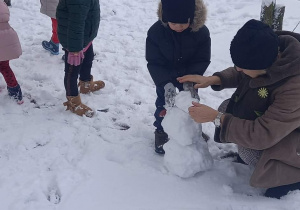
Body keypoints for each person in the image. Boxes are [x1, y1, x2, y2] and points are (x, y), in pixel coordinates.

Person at [178, 19, 300, 199]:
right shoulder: (271, 50)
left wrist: (217, 118)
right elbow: (245, 68)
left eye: (242, 67)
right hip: (281, 126)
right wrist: (215, 79)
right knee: (228, 108)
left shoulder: (294, 88)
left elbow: (262, 134)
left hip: (294, 141)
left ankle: (291, 176)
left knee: (248, 149)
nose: (238, 69)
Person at [146, 0, 211, 154]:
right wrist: (164, 82)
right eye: (174, 23)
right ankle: (161, 131)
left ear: (191, 18)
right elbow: (154, 61)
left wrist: (192, 79)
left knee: (190, 103)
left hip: (189, 75)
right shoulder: (156, 32)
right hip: (165, 76)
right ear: (166, 18)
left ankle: (191, 130)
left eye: (183, 23)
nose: (179, 27)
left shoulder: (200, 32)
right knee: (164, 103)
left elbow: (202, 58)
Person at [56, 0, 105, 117]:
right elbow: (75, 24)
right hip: (74, 42)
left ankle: (85, 84)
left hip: (84, 37)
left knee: (88, 61)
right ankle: (73, 101)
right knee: (72, 72)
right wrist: (74, 49)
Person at [0, 0, 23, 104]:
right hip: (6, 38)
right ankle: (15, 90)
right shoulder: (2, 3)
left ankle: (15, 91)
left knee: (3, 67)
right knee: (4, 67)